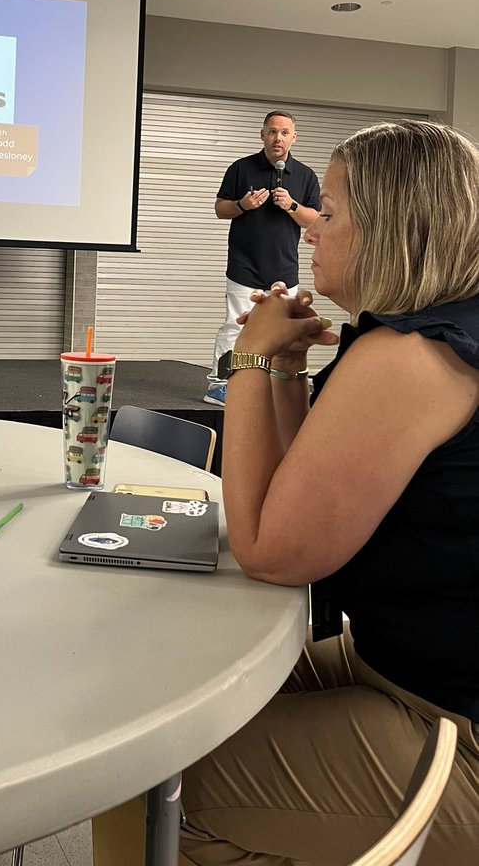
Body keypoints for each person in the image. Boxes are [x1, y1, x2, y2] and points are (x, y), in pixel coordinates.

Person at [179, 119, 479, 864]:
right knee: (196, 698)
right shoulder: (435, 336)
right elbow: (299, 492)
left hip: (452, 723)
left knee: (171, 780)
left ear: (393, 224)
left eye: (332, 213)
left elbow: (272, 550)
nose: (309, 230)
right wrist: (280, 366)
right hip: (410, 665)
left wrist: (246, 358)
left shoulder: (409, 358)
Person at [205, 110, 320, 406]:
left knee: (284, 330)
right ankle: (219, 384)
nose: (277, 138)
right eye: (271, 132)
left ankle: (278, 382)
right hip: (244, 266)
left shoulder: (305, 176)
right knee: (235, 325)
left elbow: (314, 219)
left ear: (294, 137)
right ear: (262, 135)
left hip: (284, 269)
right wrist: (242, 205)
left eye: (284, 132)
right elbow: (220, 209)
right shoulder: (241, 168)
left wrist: (292, 205)